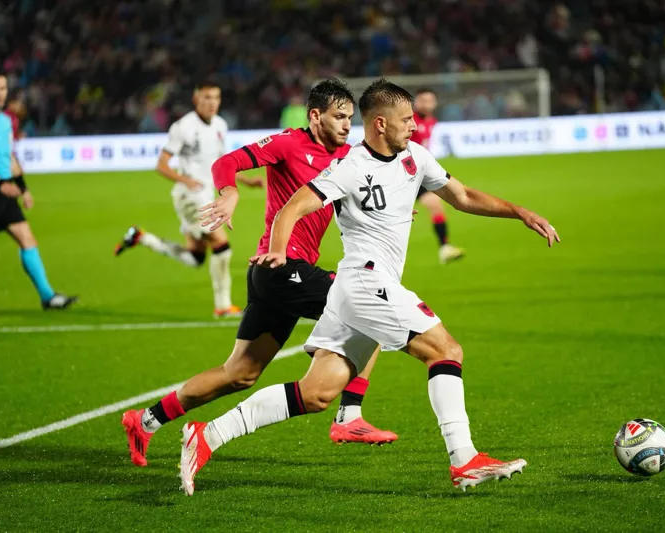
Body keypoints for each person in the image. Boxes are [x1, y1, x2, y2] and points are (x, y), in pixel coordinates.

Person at [180, 79, 560, 494]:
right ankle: (465, 459)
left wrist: (519, 212)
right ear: (380, 123)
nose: (415, 127)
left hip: (352, 289)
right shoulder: (349, 167)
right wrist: (278, 250)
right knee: (446, 351)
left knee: (316, 394)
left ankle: (208, 435)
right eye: (407, 120)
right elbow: (293, 206)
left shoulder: (415, 156)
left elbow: (462, 195)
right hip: (366, 281)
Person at [121, 79, 396, 469]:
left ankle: (145, 420)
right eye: (339, 117)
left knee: (240, 373)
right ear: (315, 116)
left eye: (350, 117)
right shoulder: (288, 143)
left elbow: (362, 194)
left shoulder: (347, 157)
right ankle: (349, 416)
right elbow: (225, 163)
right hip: (282, 267)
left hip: (275, 274)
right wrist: (229, 192)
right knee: (373, 308)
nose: (346, 125)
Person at [114, 81, 252, 318]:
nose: (212, 103)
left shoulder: (220, 124)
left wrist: (247, 181)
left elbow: (220, 162)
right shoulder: (183, 127)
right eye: (207, 97)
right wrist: (186, 180)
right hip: (191, 195)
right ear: (196, 99)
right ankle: (223, 306)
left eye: (216, 98)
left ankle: (142, 237)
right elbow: (162, 165)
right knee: (222, 244)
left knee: (196, 257)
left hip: (206, 192)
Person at [0, 72, 76, 309]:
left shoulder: (5, 121)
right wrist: (0, 184)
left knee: (26, 238)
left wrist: (23, 188)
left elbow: (8, 156)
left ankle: (48, 296)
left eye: (2, 88)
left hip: (4, 191)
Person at [411, 88, 464, 264]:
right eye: (423, 100)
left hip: (419, 174)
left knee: (435, 204)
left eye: (430, 101)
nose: (427, 104)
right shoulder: (409, 120)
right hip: (404, 173)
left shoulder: (432, 121)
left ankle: (444, 247)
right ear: (416, 102)